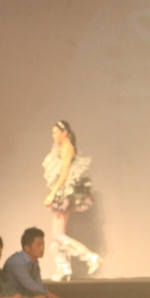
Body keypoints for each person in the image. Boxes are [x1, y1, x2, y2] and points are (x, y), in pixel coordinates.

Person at [43, 120, 101, 281]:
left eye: (56, 132)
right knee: (58, 236)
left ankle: (90, 257)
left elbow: (64, 174)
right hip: (63, 193)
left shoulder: (66, 148)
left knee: (58, 235)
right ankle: (64, 268)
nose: (53, 135)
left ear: (64, 132)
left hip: (63, 194)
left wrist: (52, 194)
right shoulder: (63, 147)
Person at [3, 228, 85, 298]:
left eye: (43, 244)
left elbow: (39, 288)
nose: (42, 248)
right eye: (38, 245)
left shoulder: (35, 264)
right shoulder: (16, 261)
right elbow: (32, 286)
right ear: (27, 248)